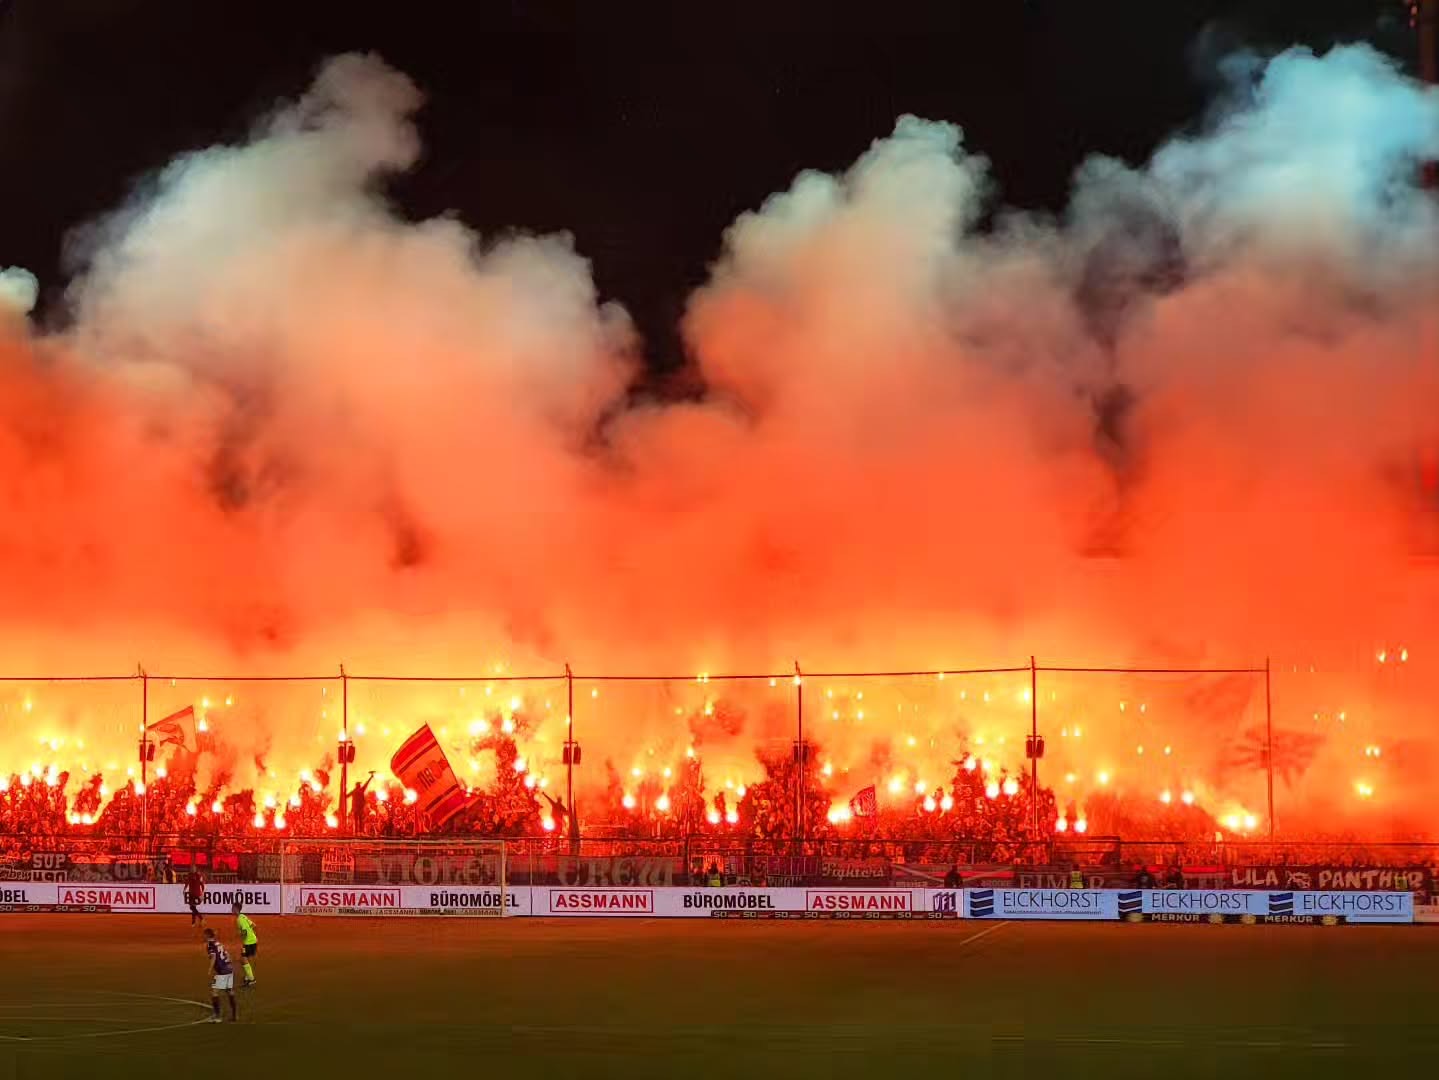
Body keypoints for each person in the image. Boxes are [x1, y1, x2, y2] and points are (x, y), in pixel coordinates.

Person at [203, 928, 238, 1023]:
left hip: (222, 971)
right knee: (230, 991)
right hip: (228, 968)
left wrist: (210, 969)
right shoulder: (219, 943)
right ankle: (234, 1015)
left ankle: (217, 1017)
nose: (203, 937)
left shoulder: (210, 945)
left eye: (204, 935)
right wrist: (230, 964)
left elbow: (213, 957)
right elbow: (228, 954)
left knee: (214, 993)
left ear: (207, 936)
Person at [233, 901, 258, 988]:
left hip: (248, 942)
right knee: (245, 959)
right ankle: (248, 977)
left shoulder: (239, 919)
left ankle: (251, 979)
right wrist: (252, 935)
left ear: (236, 909)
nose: (232, 910)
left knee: (243, 959)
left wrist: (241, 936)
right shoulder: (243, 916)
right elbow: (254, 925)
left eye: (233, 908)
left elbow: (244, 932)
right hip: (253, 940)